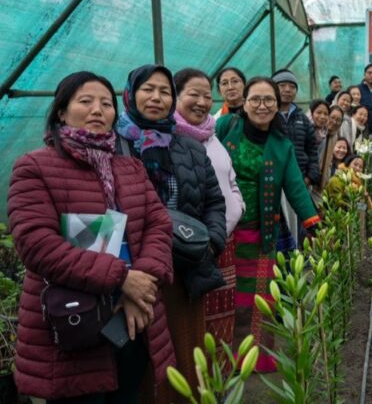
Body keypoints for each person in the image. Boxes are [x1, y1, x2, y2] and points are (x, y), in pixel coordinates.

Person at [8, 72, 175, 404]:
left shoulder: (129, 168)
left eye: (105, 103)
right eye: (85, 101)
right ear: (61, 111)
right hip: (74, 322)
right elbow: (37, 245)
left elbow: (159, 225)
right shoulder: (35, 167)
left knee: (128, 391)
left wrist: (142, 282)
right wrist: (122, 278)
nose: (98, 110)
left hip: (131, 316)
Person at [115, 65, 226, 403]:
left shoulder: (189, 147)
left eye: (164, 91)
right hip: (136, 277)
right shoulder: (114, 146)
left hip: (184, 272)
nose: (156, 97)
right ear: (131, 95)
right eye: (148, 89)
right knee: (142, 364)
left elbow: (213, 201)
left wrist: (211, 243)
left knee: (185, 355)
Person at [215, 76, 321, 374]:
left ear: (278, 105)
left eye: (268, 100)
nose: (262, 106)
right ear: (244, 104)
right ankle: (225, 357)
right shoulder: (226, 128)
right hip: (223, 233)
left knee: (260, 298)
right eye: (255, 99)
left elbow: (296, 187)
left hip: (261, 233)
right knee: (227, 296)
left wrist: (313, 224)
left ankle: (257, 360)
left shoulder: (281, 145)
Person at [174, 68, 245, 353]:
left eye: (207, 95)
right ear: (176, 96)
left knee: (222, 319)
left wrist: (237, 207)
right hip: (191, 248)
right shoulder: (169, 140)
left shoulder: (212, 136)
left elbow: (231, 179)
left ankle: (222, 386)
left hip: (223, 241)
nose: (202, 102)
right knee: (196, 322)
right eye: (193, 94)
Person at [271, 68, 320, 250]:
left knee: (300, 222)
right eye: (282, 85)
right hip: (273, 183)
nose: (287, 90)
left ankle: (301, 257)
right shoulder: (268, 116)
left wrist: (310, 176)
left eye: (292, 86)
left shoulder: (302, 118)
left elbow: (312, 150)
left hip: (298, 181)